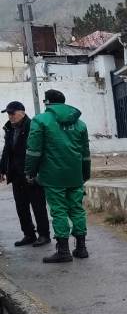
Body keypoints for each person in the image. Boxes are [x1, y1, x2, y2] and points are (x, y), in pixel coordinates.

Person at [24, 88, 91, 265]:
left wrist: (30, 172)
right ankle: (81, 248)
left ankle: (63, 251)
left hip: (53, 175)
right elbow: (85, 153)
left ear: (47, 102)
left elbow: (34, 151)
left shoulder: (41, 120)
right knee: (77, 209)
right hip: (75, 174)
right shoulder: (80, 123)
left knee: (59, 211)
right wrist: (85, 173)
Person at [0, 101, 51, 248]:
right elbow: (7, 151)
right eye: (8, 113)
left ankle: (44, 235)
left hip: (32, 174)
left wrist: (37, 171)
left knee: (38, 206)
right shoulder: (9, 128)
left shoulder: (32, 126)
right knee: (21, 207)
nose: (10, 116)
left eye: (12, 113)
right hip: (16, 174)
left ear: (22, 112)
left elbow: (40, 150)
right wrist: (2, 169)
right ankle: (29, 234)